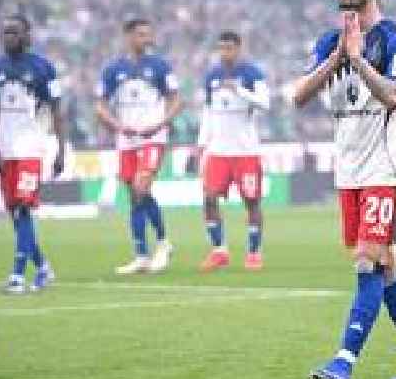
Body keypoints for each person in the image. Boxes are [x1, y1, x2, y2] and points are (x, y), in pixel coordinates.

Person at [292, 0, 396, 379]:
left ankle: (344, 362)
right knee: (387, 269)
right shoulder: (328, 41)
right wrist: (338, 56)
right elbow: (298, 97)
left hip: (383, 168)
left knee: (365, 263)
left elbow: (394, 96)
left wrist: (357, 60)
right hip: (349, 172)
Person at [95, 18, 182, 274]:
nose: (147, 39)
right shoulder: (113, 69)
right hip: (127, 140)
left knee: (141, 186)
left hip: (153, 137)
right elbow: (100, 105)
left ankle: (163, 243)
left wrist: (161, 123)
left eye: (148, 34)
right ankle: (141, 255)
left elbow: (177, 100)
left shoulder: (160, 66)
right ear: (129, 37)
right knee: (135, 196)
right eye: (141, 34)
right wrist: (116, 126)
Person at [0, 15, 63, 294]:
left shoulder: (44, 68)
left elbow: (57, 111)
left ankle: (17, 276)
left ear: (27, 36)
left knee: (22, 207)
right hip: (5, 150)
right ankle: (42, 267)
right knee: (16, 214)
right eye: (6, 32)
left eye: (14, 32)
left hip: (31, 148)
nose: (9, 37)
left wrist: (61, 150)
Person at [197, 31, 270, 272]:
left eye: (229, 48)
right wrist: (202, 143)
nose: (225, 53)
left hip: (245, 151)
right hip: (218, 151)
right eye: (221, 48)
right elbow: (207, 112)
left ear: (239, 49)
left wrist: (239, 90)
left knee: (251, 201)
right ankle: (219, 251)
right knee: (209, 198)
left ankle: (254, 252)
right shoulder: (211, 76)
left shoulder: (252, 73)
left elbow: (265, 103)